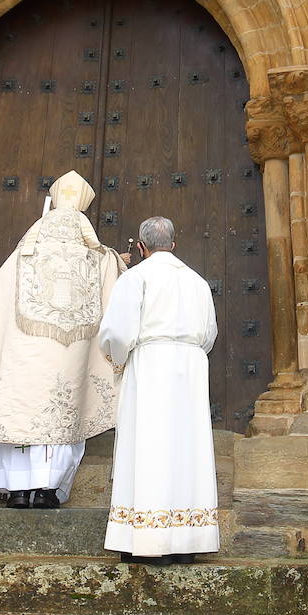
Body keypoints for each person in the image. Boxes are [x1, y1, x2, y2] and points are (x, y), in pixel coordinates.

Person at [0, 171, 124, 508]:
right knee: (61, 409)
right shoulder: (99, 258)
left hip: (22, 356)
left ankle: (16, 489)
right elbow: (115, 298)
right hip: (69, 357)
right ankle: (46, 489)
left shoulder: (22, 254)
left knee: (20, 408)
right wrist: (118, 260)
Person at [99, 216, 219, 565]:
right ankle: (187, 537)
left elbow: (118, 334)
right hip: (191, 367)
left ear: (140, 247)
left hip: (151, 365)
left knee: (149, 447)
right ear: (174, 243)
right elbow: (209, 333)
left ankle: (149, 538)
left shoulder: (135, 277)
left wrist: (117, 359)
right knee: (186, 448)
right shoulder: (197, 282)